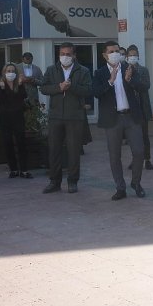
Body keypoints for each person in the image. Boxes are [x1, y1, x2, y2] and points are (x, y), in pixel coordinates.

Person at [93, 41, 146, 200]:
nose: (115, 53)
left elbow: (143, 88)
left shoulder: (128, 69)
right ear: (105, 55)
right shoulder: (100, 73)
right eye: (111, 51)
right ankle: (120, 187)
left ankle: (136, 183)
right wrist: (110, 80)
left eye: (117, 51)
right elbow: (95, 92)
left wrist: (130, 80)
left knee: (139, 152)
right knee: (114, 155)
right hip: (112, 119)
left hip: (131, 116)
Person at [40, 42, 92, 194]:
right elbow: (43, 88)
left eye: (68, 54)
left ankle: (72, 181)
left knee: (74, 150)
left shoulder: (83, 71)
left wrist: (72, 87)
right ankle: (54, 181)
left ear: (74, 55)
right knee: (54, 150)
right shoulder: (51, 69)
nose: (65, 57)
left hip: (74, 116)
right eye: (62, 54)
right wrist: (58, 87)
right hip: (56, 116)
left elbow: (88, 90)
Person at [0, 64, 33, 179]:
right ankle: (14, 169)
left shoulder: (18, 84)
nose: (10, 72)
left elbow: (23, 97)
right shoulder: (0, 85)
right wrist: (2, 87)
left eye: (12, 70)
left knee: (21, 143)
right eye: (8, 70)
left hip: (18, 117)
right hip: (5, 118)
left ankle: (24, 170)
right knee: (8, 143)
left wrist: (20, 85)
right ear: (4, 72)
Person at [126, 44, 153, 171]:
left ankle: (147, 159)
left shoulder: (143, 70)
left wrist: (132, 78)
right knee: (132, 137)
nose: (133, 57)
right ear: (126, 57)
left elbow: (146, 86)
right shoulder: (124, 69)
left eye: (135, 55)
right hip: (129, 108)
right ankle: (135, 159)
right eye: (130, 55)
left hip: (142, 107)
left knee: (144, 135)